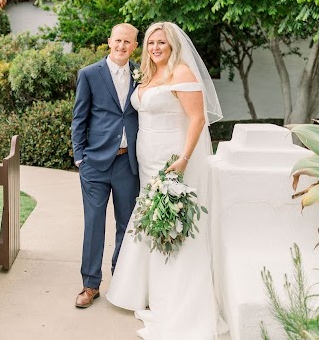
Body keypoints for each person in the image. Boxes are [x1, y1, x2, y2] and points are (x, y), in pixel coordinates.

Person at [106, 21, 225, 339]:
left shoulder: (183, 73)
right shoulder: (149, 76)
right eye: (151, 43)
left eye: (162, 43)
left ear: (173, 46)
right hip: (145, 158)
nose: (156, 48)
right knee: (151, 218)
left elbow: (197, 118)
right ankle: (150, 290)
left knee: (173, 221)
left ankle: (177, 298)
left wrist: (184, 159)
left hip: (171, 157)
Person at [71, 23, 141, 309]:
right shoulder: (89, 74)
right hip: (95, 163)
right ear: (109, 42)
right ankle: (90, 285)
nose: (122, 46)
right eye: (118, 40)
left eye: (128, 42)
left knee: (127, 224)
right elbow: (79, 117)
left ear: (134, 46)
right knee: (94, 223)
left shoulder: (143, 74)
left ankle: (121, 281)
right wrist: (80, 157)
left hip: (128, 162)